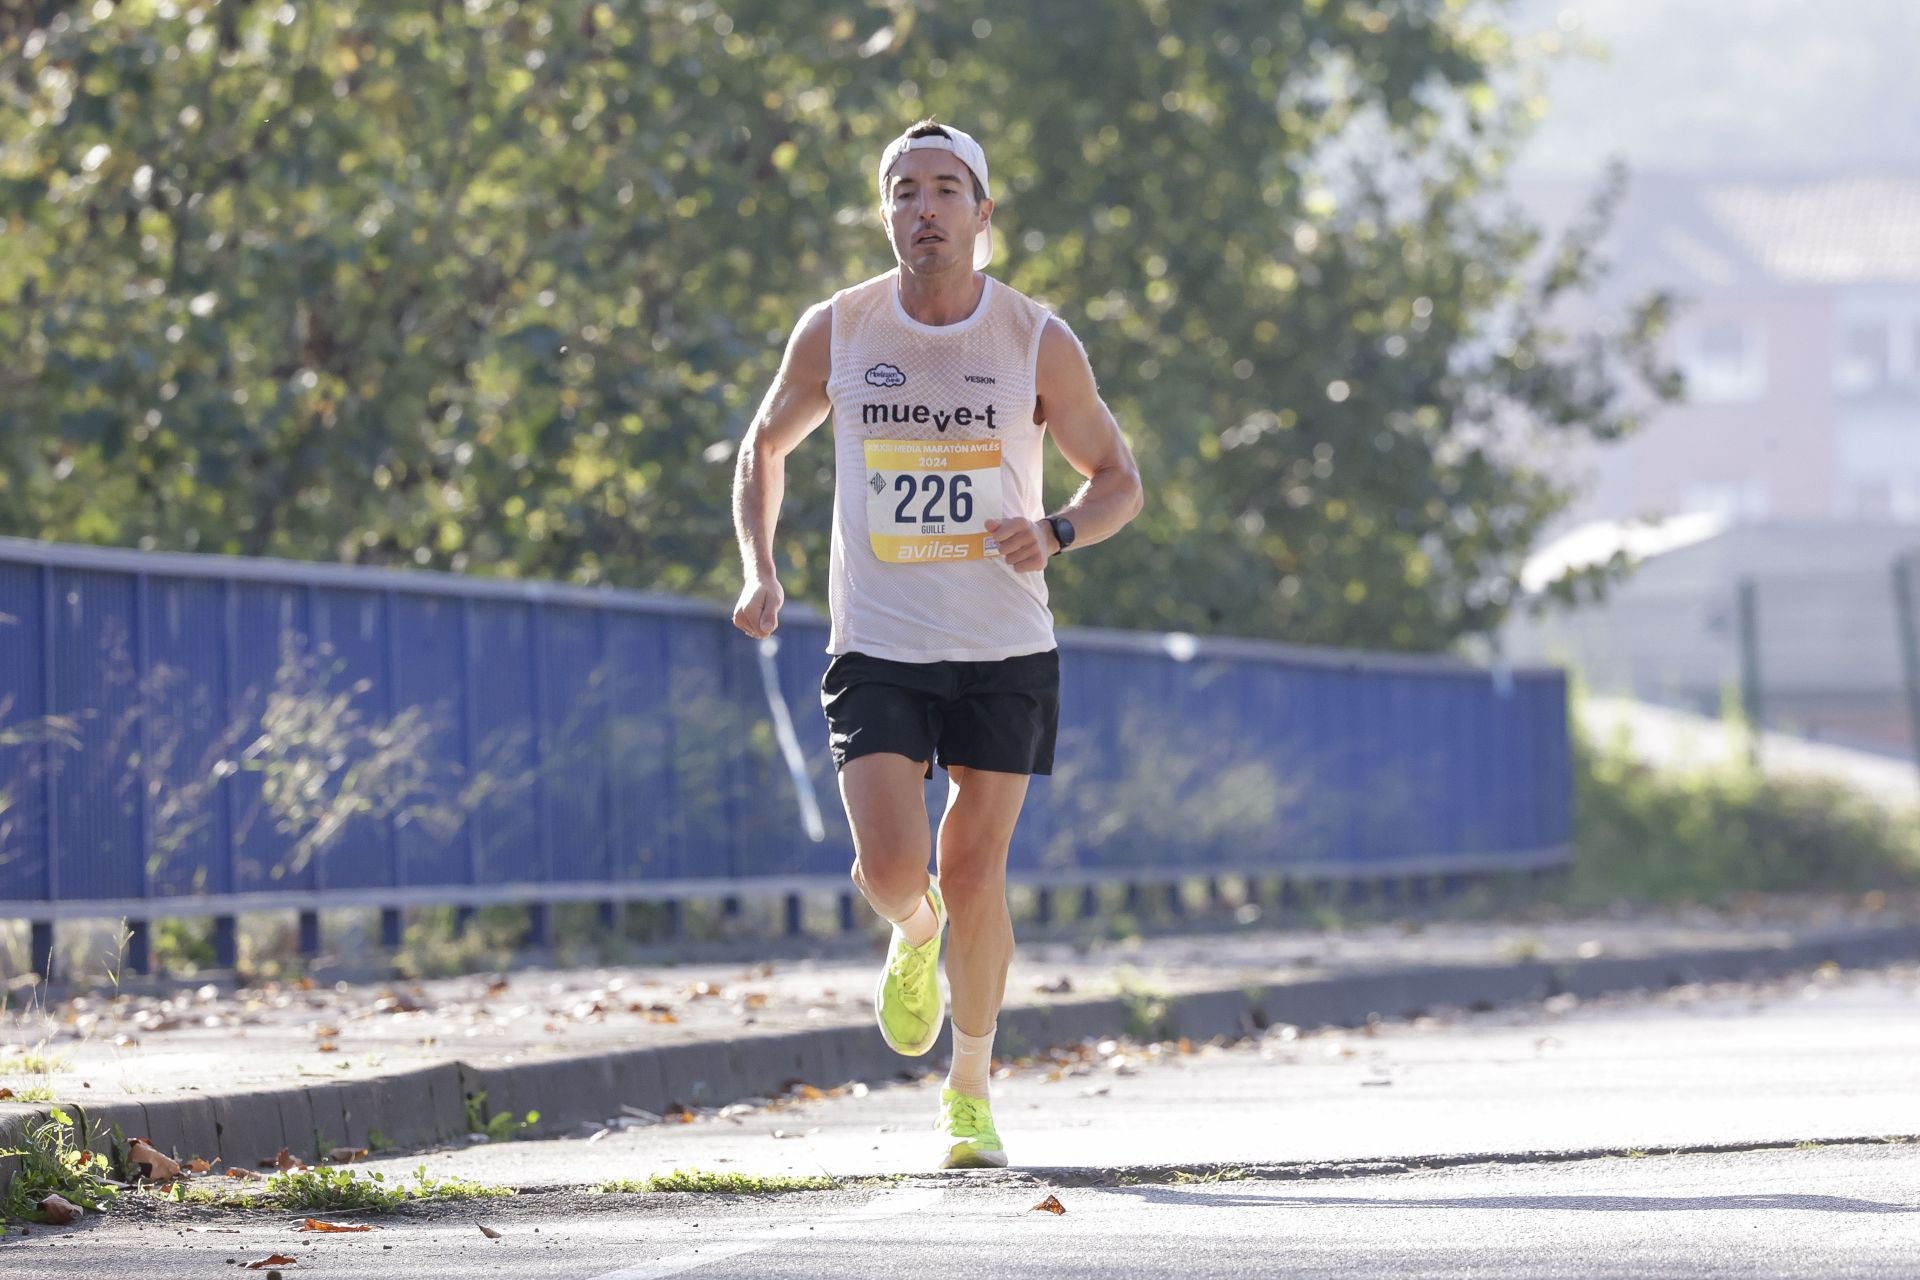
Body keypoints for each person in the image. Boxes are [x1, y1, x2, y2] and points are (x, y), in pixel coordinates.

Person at [730, 119, 1143, 1169]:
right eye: (904, 190)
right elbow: (764, 444)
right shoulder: (839, 327)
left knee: (974, 867)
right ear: (885, 213)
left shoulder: (1036, 339)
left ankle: (969, 1087)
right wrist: (760, 567)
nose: (925, 208)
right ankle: (911, 937)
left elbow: (1119, 481)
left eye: (947, 189)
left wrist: (1054, 531)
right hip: (880, 639)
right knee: (892, 865)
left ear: (982, 212)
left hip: (1004, 645)